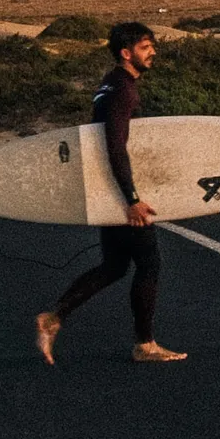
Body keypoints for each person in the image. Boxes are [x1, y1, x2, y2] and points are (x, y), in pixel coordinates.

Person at [36, 22, 186, 365]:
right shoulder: (123, 90)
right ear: (126, 52)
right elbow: (115, 146)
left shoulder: (109, 84)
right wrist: (131, 198)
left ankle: (54, 317)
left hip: (105, 186)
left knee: (115, 265)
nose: (153, 53)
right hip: (118, 190)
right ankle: (145, 344)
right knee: (149, 263)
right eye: (146, 47)